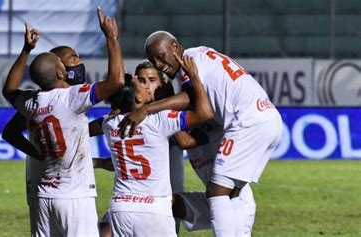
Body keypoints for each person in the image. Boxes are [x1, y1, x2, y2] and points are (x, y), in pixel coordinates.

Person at [118, 31, 283, 237]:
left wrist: (148, 109)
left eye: (160, 56)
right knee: (229, 193)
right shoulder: (203, 57)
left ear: (175, 48)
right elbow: (187, 131)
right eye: (153, 60)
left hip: (247, 121)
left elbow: (190, 100)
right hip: (266, 118)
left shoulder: (190, 64)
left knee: (218, 192)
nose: (159, 64)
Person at [1, 6, 125, 236]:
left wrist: (26, 50)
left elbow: (9, 90)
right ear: (61, 73)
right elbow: (116, 80)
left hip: (42, 196)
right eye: (69, 61)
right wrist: (111, 38)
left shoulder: (32, 102)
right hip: (74, 196)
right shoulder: (72, 97)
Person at [102, 55, 213, 236]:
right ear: (137, 97)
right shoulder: (160, 120)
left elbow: (116, 106)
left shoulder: (110, 123)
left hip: (122, 206)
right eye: (140, 82)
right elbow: (203, 114)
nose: (146, 85)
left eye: (151, 80)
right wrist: (194, 78)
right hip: (154, 208)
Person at [1, 45, 90, 235]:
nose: (79, 63)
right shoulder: (62, 98)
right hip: (62, 189)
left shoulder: (39, 102)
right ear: (59, 68)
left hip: (45, 189)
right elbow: (11, 131)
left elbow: (9, 131)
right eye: (73, 58)